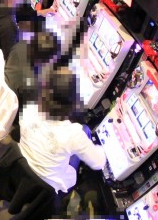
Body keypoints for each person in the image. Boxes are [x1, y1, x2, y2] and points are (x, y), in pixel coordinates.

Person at [19, 64, 106, 193]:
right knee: (86, 130)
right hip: (48, 190)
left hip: (23, 171)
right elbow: (98, 163)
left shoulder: (29, 109)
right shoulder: (74, 134)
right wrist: (105, 147)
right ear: (74, 103)